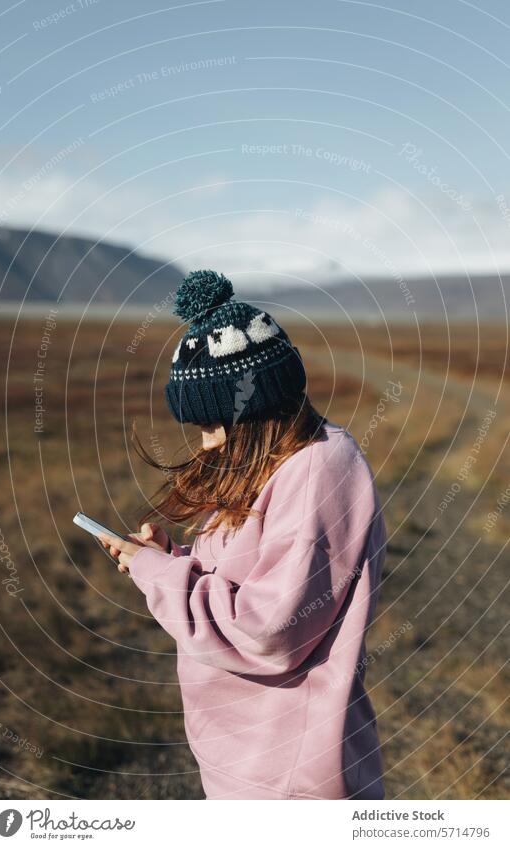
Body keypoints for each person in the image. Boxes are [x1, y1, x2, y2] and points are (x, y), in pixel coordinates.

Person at [100, 269, 387, 800]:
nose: (207, 445)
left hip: (289, 780)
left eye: (212, 426)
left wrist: (161, 575)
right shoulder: (276, 470)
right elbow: (257, 582)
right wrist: (174, 558)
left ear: (251, 410)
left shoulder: (320, 471)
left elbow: (270, 632)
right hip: (246, 763)